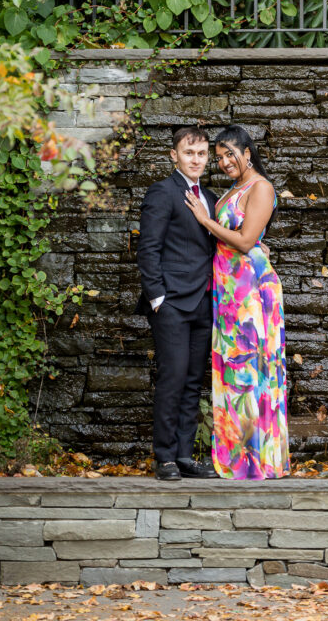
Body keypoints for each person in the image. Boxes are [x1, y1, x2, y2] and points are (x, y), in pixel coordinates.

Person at [184, 124, 289, 480]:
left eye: (231, 154)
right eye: (220, 157)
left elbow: (245, 241)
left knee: (250, 374)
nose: (225, 161)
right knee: (232, 373)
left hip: (250, 293)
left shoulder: (261, 187)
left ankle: (257, 461)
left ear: (247, 152)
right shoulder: (235, 189)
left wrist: (204, 219)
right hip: (230, 292)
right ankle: (239, 457)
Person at [136, 125, 219, 481]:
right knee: (172, 379)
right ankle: (165, 457)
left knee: (191, 382)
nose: (196, 159)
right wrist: (157, 299)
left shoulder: (212, 199)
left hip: (204, 301)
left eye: (201, 154)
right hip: (170, 303)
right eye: (189, 153)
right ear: (174, 156)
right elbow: (148, 248)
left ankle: (185, 455)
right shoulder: (162, 192)